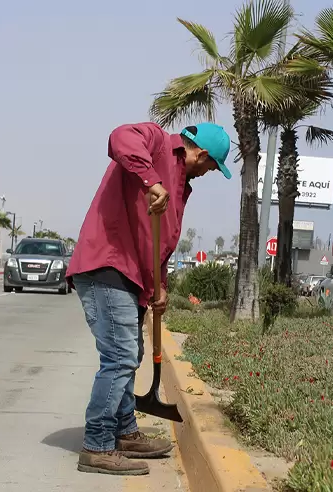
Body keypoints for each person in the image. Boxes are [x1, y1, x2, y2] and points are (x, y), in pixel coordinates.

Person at [66, 121, 231, 476]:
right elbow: (120, 137)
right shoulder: (156, 143)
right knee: (120, 357)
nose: (208, 173)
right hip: (108, 263)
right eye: (211, 166)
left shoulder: (181, 187)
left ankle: (124, 431)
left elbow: (161, 242)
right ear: (201, 154)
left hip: (132, 275)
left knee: (131, 354)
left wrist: (161, 284)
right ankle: (97, 445)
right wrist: (151, 180)